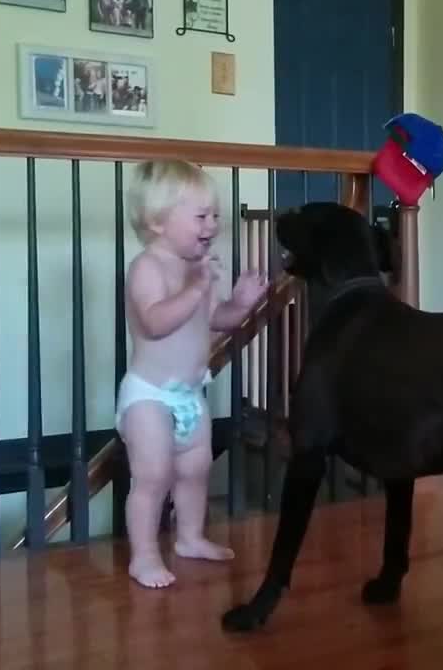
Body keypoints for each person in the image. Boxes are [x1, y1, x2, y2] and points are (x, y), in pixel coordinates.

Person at [117, 160, 270, 588]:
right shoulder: (147, 267)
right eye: (201, 216)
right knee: (152, 476)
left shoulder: (196, 270)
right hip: (149, 397)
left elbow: (214, 320)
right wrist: (198, 287)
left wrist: (240, 303)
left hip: (189, 395)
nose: (212, 225)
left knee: (195, 468)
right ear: (157, 221)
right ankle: (144, 556)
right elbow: (155, 321)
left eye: (215, 215)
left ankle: (189, 537)